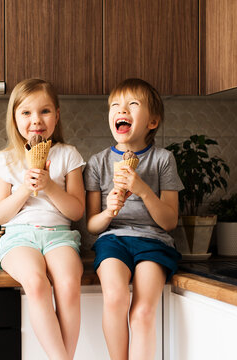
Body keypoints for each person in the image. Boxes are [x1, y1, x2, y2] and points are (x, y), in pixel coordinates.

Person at [84, 78, 183, 360]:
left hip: (154, 243)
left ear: (152, 121)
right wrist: (108, 211)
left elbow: (169, 221)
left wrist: (142, 189)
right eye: (115, 105)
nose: (121, 110)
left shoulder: (163, 160)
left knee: (142, 313)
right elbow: (91, 225)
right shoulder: (98, 163)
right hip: (112, 241)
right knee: (115, 299)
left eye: (132, 105)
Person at [0, 78, 85, 360]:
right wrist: (25, 188)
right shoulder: (6, 160)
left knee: (69, 284)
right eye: (26, 113)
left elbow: (77, 211)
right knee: (35, 281)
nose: (36, 120)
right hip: (19, 238)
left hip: (60, 236)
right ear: (15, 118)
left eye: (45, 111)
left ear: (57, 114)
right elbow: (0, 214)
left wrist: (50, 186)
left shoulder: (68, 155)